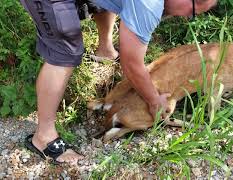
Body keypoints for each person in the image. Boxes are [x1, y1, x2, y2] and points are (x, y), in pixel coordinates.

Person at [21, 0, 217, 164]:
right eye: (192, 12)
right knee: (65, 53)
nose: (186, 17)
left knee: (104, 3)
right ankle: (44, 137)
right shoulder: (150, 5)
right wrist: (154, 101)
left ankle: (105, 50)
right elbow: (131, 65)